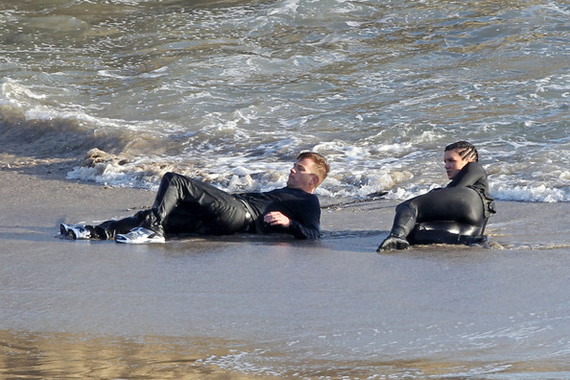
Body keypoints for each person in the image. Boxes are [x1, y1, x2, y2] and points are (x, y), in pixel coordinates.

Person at [60, 152, 330, 244]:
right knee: (155, 215)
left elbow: (314, 234)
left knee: (174, 180)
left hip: (239, 213)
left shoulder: (307, 200)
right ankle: (94, 233)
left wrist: (288, 224)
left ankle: (152, 232)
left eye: (300, 169)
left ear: (313, 181)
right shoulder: (290, 193)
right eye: (293, 165)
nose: (292, 170)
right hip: (221, 222)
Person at [377, 141, 496, 251]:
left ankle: (397, 235)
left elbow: (455, 189)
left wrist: (434, 194)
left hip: (472, 201)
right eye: (445, 162)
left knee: (408, 206)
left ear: (468, 161)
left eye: (451, 161)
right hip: (473, 229)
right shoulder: (459, 186)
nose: (446, 166)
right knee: (414, 232)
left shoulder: (474, 167)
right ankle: (468, 241)